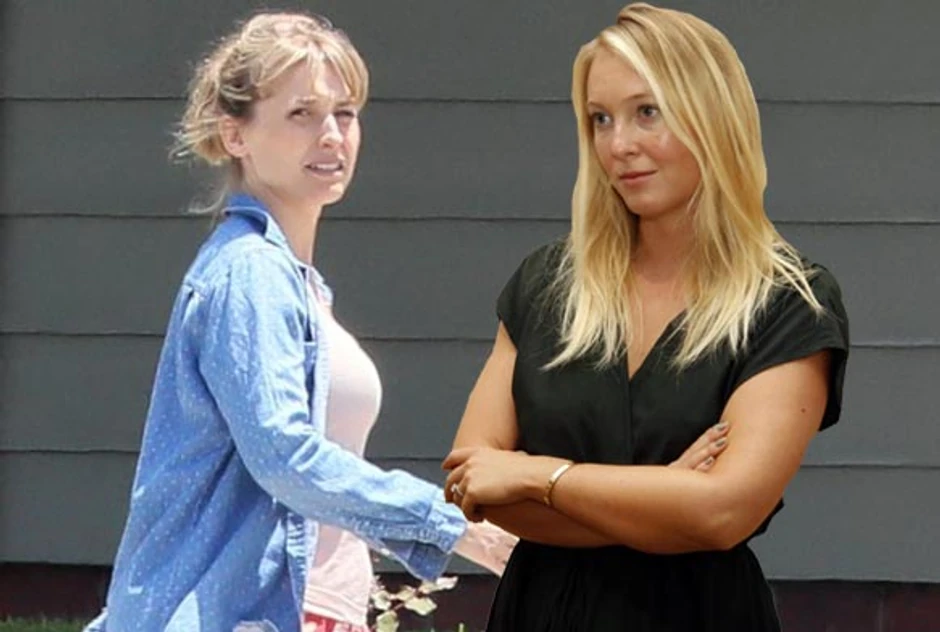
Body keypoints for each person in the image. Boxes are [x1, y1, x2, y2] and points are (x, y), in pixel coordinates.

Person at [82, 12, 519, 632]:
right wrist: (454, 525)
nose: (332, 135)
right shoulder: (249, 272)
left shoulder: (295, 283)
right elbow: (284, 456)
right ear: (235, 135)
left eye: (345, 113)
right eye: (301, 114)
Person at [442, 3, 850, 631]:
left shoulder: (787, 302)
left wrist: (536, 474)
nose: (619, 145)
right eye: (600, 119)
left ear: (712, 117)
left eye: (647, 112)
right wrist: (662, 497)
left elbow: (721, 514)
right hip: (542, 613)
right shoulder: (547, 285)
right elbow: (474, 484)